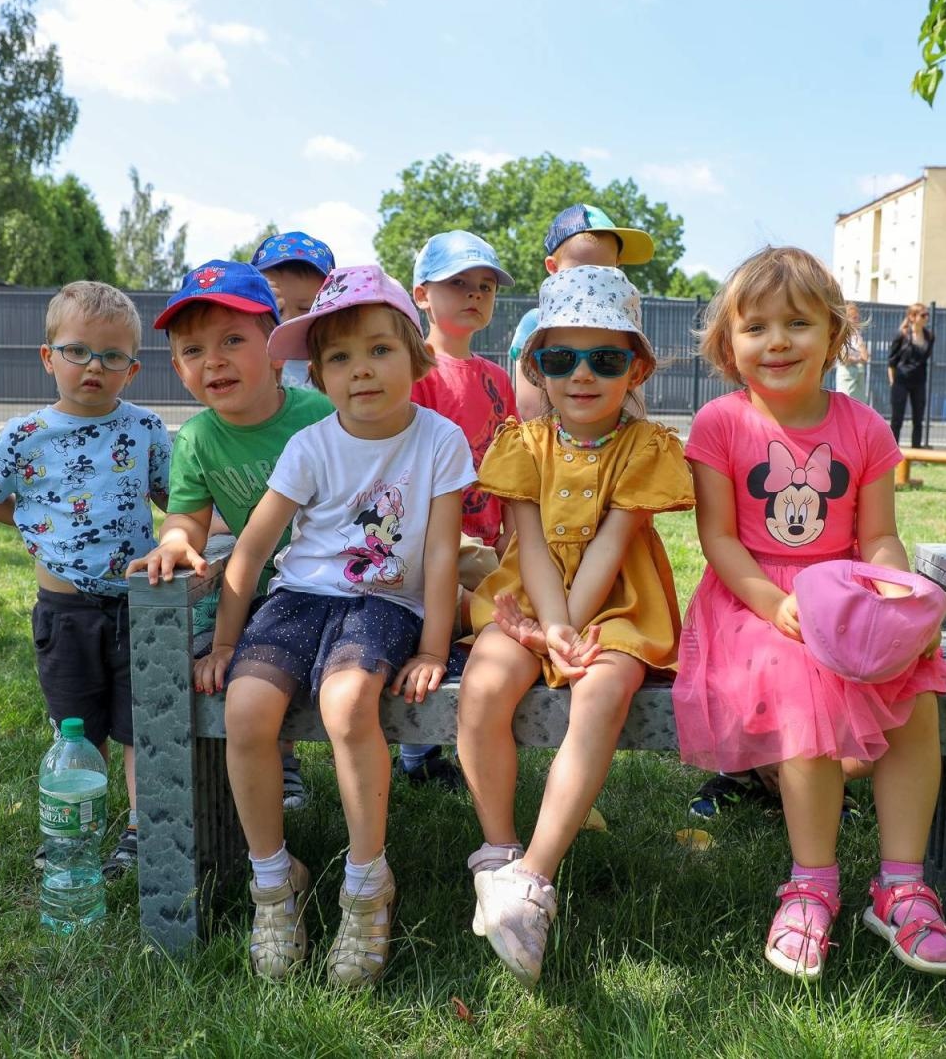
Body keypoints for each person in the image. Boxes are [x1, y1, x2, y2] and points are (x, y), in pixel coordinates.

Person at [671, 246, 946, 980]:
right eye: (756, 326)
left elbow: (881, 536)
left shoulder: (864, 428)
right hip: (750, 603)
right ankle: (811, 886)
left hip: (845, 592)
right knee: (801, 685)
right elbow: (719, 540)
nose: (776, 341)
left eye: (798, 323)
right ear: (727, 344)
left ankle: (901, 885)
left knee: (917, 686)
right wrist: (776, 602)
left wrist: (890, 591)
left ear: (834, 336)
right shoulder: (720, 423)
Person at [193, 265, 475, 987]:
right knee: (249, 710)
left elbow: (442, 551)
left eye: (380, 350)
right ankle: (273, 882)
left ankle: (365, 882)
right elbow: (253, 549)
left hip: (384, 606)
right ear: (319, 374)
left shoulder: (440, 441)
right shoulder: (313, 444)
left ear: (414, 356)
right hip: (298, 600)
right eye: (341, 358)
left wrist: (436, 646)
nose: (362, 371)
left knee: (349, 706)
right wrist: (228, 640)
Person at [456, 265, 694, 988]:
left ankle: (533, 879)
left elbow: (612, 548)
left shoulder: (646, 448)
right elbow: (527, 544)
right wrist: (547, 626)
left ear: (637, 368)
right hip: (528, 593)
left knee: (602, 691)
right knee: (485, 685)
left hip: (616, 599)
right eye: (561, 359)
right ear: (537, 367)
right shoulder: (522, 443)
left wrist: (569, 631)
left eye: (606, 358)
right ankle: (497, 853)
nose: (582, 375)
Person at [0, 281, 171, 878]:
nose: (94, 368)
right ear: (48, 356)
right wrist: (34, 526)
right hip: (65, 612)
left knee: (138, 725)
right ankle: (79, 824)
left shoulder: (147, 429)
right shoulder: (27, 435)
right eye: (77, 351)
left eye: (112, 356)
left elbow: (176, 499)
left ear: (132, 369)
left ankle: (138, 830)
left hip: (139, 608)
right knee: (77, 726)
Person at [127, 261, 333, 813]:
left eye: (233, 340)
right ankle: (269, 769)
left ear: (274, 348)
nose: (212, 360)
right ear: (177, 369)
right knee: (217, 657)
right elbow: (188, 518)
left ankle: (284, 762)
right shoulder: (196, 438)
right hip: (257, 586)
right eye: (193, 352)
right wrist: (174, 540)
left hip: (336, 579)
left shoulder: (319, 415)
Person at [400, 230, 518, 788]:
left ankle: (450, 741)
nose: (474, 295)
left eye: (485, 287)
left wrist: (515, 542)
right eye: (458, 285)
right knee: (461, 624)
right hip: (431, 537)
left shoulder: (497, 379)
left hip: (486, 537)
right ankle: (419, 751)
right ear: (422, 294)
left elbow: (513, 470)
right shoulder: (414, 372)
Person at [509, 204, 656, 420]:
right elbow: (531, 409)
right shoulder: (536, 321)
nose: (591, 281)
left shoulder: (622, 319)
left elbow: (633, 398)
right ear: (552, 267)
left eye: (604, 270)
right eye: (581, 271)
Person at [249, 231, 336, 389]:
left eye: (305, 309)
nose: (287, 320)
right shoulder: (251, 356)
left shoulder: (338, 359)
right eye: (277, 310)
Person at [887, 302, 934, 447]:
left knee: (918, 419)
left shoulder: (929, 336)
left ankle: (916, 452)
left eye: (927, 315)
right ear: (912, 317)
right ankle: (891, 453)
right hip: (901, 381)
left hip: (919, 382)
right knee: (897, 419)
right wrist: (893, 382)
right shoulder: (902, 335)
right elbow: (891, 361)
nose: (926, 318)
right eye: (923, 315)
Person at [832, 301, 870, 402]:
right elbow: (844, 359)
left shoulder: (857, 336)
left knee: (859, 405)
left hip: (859, 376)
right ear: (846, 318)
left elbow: (865, 357)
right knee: (844, 405)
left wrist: (854, 359)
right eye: (854, 318)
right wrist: (858, 359)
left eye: (857, 317)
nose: (857, 320)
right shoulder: (841, 336)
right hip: (846, 376)